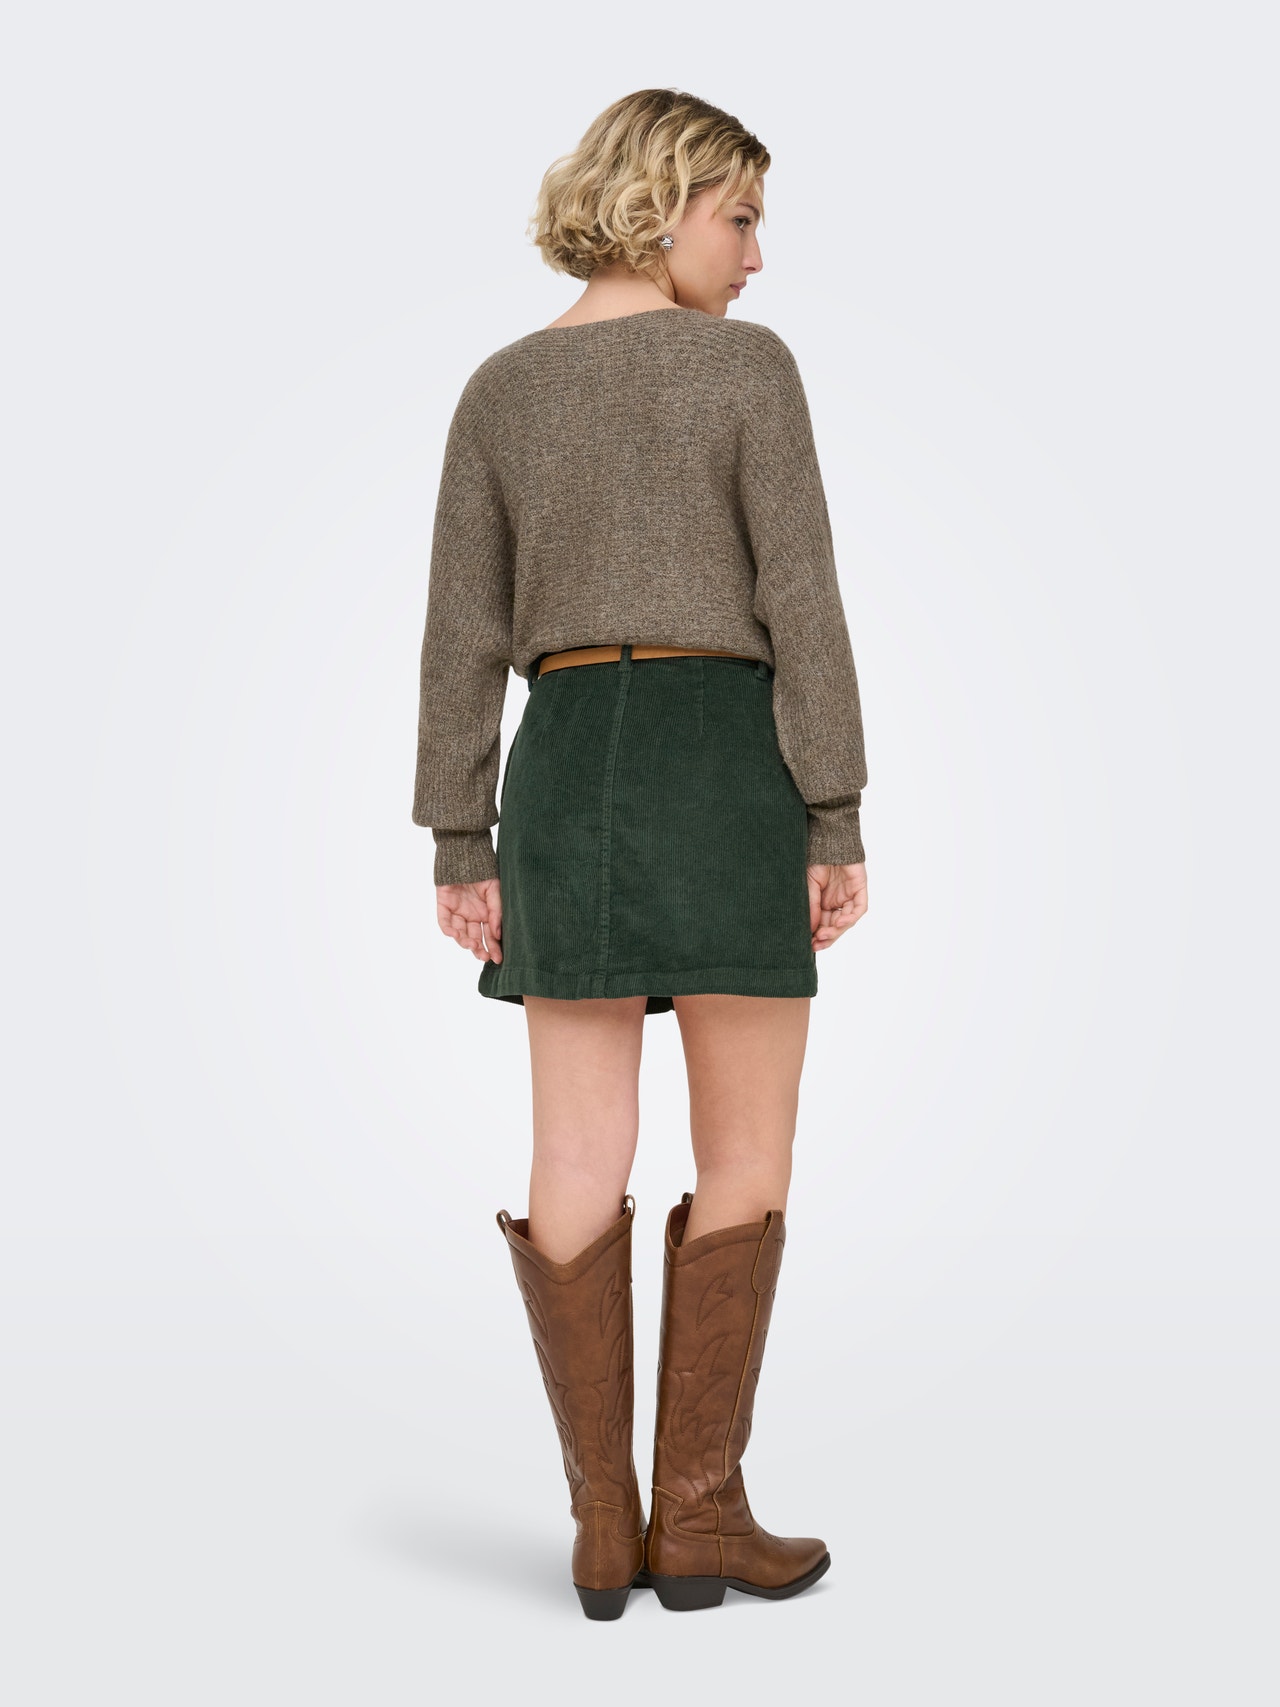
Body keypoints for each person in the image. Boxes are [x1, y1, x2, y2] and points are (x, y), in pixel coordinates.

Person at [411, 87, 869, 1619]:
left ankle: (604, 1523)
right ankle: (701, 1514)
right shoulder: (747, 370)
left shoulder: (498, 390)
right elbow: (802, 604)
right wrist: (835, 812)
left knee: (572, 1151)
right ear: (661, 204)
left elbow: (460, 636)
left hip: (566, 769)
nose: (756, 256)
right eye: (741, 218)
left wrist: (462, 836)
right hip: (724, 760)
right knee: (744, 1148)